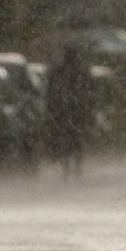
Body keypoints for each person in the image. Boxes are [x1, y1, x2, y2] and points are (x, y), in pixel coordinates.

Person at [46, 43, 92, 177]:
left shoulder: (63, 71)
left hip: (68, 110)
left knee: (69, 138)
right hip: (72, 110)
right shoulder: (77, 72)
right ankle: (72, 167)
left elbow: (52, 90)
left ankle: (70, 167)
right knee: (73, 139)